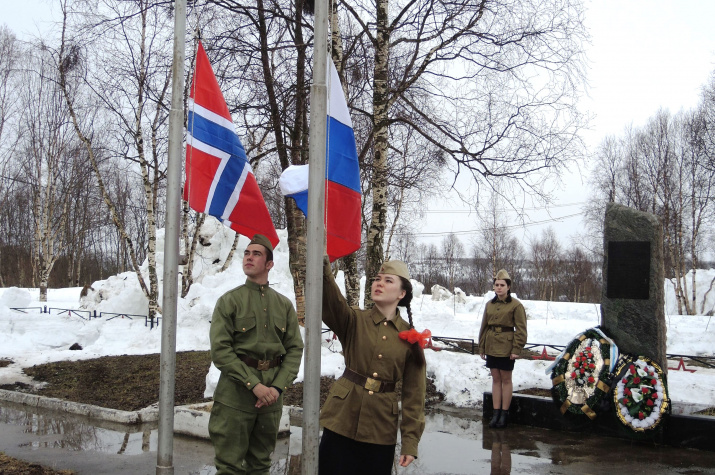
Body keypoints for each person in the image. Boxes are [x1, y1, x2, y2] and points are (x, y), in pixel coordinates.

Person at [319, 258, 427, 474]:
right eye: (377, 279)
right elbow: (331, 300)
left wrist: (410, 442)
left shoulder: (410, 338)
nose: (379, 283)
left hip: (381, 428)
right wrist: (323, 265)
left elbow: (414, 394)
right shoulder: (354, 320)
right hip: (341, 419)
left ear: (402, 294)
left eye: (388, 280)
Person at [208, 234, 304, 474]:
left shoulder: (283, 305)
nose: (249, 258)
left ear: (269, 264)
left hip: (271, 399)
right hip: (235, 397)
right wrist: (253, 385)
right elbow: (221, 351)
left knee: (260, 465)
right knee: (229, 466)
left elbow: (294, 349)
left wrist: (277, 388)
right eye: (247, 254)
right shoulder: (229, 301)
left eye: (256, 254)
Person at [478, 269, 527, 429]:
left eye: (502, 285)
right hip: (492, 344)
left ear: (508, 287)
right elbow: (484, 326)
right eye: (496, 285)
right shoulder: (489, 305)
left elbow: (521, 330)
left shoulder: (516, 306)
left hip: (507, 346)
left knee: (506, 380)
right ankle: (496, 412)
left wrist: (516, 349)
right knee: (495, 379)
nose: (498, 288)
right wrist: (482, 346)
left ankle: (504, 413)